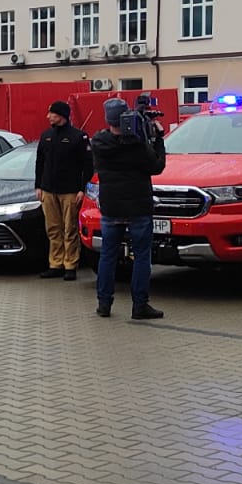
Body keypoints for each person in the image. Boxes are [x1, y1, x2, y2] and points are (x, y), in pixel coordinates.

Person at [91, 96, 166, 319]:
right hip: (138, 207)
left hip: (111, 206)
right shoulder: (137, 145)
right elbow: (157, 166)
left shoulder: (99, 143)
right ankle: (139, 305)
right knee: (142, 256)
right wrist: (157, 139)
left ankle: (104, 304)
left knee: (108, 255)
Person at [34, 100, 92, 281]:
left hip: (70, 191)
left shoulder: (78, 137)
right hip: (48, 189)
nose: (48, 116)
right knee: (53, 228)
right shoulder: (46, 136)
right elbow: (40, 162)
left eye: (51, 113)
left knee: (70, 228)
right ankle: (55, 264)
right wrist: (38, 185)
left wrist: (82, 189)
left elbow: (88, 166)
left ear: (61, 115)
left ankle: (70, 265)